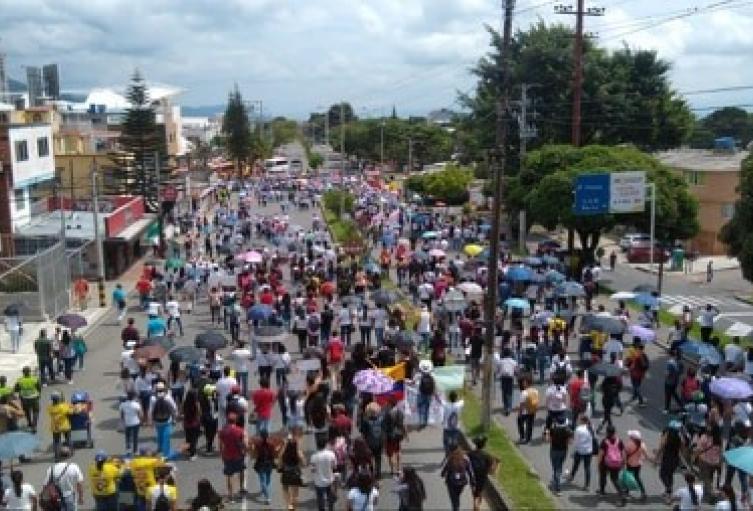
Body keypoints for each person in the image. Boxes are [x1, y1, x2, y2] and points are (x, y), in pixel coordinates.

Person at [43, 447, 84, 511]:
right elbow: (79, 483)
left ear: (59, 455)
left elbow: (45, 485)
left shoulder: (51, 469)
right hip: (70, 496)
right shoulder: (74, 467)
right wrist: (81, 497)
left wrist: (46, 499)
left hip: (56, 498)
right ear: (69, 455)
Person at [218, 413, 247, 501]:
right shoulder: (240, 430)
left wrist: (222, 454)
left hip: (227, 455)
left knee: (230, 475)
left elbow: (220, 445)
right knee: (241, 471)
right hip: (238, 455)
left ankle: (231, 495)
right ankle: (242, 488)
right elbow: (245, 443)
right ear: (236, 421)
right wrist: (245, 451)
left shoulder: (222, 431)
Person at [440, 442, 474, 511]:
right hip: (462, 482)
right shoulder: (465, 459)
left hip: (451, 483)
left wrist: (443, 474)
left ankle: (456, 508)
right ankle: (456, 507)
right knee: (457, 496)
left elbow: (444, 471)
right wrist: (472, 481)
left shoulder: (450, 460)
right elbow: (470, 471)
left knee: (454, 500)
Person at [597, 424, 626, 506]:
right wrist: (623, 463)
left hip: (605, 463)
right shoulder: (619, 441)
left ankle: (602, 492)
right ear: (614, 432)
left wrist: (598, 464)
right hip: (616, 463)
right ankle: (622, 493)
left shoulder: (604, 441)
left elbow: (601, 454)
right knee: (615, 479)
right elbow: (623, 453)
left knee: (603, 476)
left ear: (607, 432)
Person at [149, 382, 177, 458]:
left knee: (159, 435)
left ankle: (159, 448)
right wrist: (174, 419)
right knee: (166, 436)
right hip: (167, 420)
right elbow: (173, 408)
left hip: (157, 421)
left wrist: (151, 421)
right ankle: (166, 453)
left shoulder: (153, 398)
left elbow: (151, 410)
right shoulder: (167, 397)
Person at [567, 415, 595, 490]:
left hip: (580, 450)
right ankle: (587, 484)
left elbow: (576, 441)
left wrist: (573, 451)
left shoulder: (578, 429)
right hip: (588, 450)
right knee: (587, 467)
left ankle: (571, 476)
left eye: (579, 420)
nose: (578, 421)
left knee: (576, 464)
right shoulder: (591, 428)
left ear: (582, 421)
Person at [249, 429, 277, 505]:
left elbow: (254, 455)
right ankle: (265, 491)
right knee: (268, 479)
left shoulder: (258, 444)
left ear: (261, 436)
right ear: (267, 435)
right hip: (269, 463)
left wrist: (251, 448)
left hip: (261, 464)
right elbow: (274, 454)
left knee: (262, 481)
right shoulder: (271, 444)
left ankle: (267, 496)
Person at [468, 436, 495, 511]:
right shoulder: (487, 456)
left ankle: (476, 505)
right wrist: (497, 464)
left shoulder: (470, 454)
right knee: (478, 492)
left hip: (472, 476)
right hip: (482, 477)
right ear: (484, 445)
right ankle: (476, 506)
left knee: (476, 492)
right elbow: (491, 472)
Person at [546, 415, 571, 493]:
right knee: (559, 466)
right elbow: (569, 442)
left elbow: (548, 440)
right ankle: (556, 479)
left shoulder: (553, 429)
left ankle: (557, 487)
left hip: (554, 450)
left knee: (556, 467)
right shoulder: (567, 430)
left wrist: (547, 433)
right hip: (563, 451)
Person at [278, 436, 305, 511]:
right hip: (295, 473)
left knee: (285, 489)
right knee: (295, 494)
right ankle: (294, 508)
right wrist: (302, 464)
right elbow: (303, 461)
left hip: (286, 472)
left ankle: (289, 505)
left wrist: (279, 467)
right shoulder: (297, 450)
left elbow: (280, 457)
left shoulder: (284, 450)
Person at [311, 436, 337, 511]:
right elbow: (334, 466)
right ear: (325, 444)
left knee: (320, 499)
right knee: (330, 497)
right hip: (329, 480)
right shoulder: (331, 454)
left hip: (319, 482)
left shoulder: (314, 457)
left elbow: (313, 470)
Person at [383, 397, 407, 475]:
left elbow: (384, 426)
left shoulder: (387, 413)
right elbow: (403, 424)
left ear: (390, 404)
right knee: (398, 451)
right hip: (398, 434)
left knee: (390, 453)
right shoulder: (400, 412)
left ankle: (392, 470)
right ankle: (399, 469)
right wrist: (405, 434)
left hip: (390, 435)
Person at [624, 430, 649, 502]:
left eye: (630, 436)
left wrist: (623, 462)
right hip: (638, 464)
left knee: (628, 477)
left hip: (630, 464)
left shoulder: (629, 445)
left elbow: (625, 454)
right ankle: (643, 492)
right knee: (637, 477)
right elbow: (646, 455)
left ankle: (626, 491)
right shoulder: (642, 445)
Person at [48, 392, 73, 460]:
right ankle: (70, 452)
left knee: (57, 442)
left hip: (55, 426)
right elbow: (71, 412)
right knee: (68, 439)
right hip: (64, 425)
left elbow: (50, 413)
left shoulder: (50, 407)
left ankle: (57, 456)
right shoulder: (63, 406)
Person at [14, 366, 40, 433]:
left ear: (23, 373)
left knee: (27, 411)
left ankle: (29, 423)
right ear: (30, 372)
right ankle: (34, 426)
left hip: (24, 398)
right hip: (34, 397)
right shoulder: (34, 379)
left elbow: (16, 389)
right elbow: (39, 388)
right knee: (36, 411)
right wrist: (38, 395)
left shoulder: (20, 380)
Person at [119, 390, 143, 456]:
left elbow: (122, 414)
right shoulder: (136, 404)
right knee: (135, 437)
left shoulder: (122, 404)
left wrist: (123, 421)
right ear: (133, 397)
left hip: (127, 423)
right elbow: (140, 414)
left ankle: (128, 450)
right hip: (136, 422)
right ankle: (135, 451)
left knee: (127, 437)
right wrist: (141, 421)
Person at [494, 348, 517, 416]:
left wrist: (496, 374)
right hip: (510, 378)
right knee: (509, 392)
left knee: (504, 392)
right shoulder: (513, 361)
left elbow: (497, 370)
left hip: (503, 377)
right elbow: (516, 371)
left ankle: (505, 406)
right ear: (510, 354)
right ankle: (509, 407)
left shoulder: (501, 361)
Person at [182, 389, 201, 460]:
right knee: (194, 439)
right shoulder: (196, 403)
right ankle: (192, 454)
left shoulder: (185, 402)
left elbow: (182, 411)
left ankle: (187, 450)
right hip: (194, 422)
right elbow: (199, 412)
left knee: (188, 437)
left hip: (186, 422)